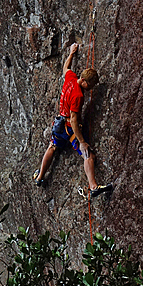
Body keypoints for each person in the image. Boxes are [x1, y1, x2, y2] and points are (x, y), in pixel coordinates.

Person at [33, 42, 112, 197]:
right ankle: (93, 186)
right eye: (90, 85)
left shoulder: (71, 78)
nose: (90, 89)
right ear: (83, 81)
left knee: (52, 147)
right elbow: (74, 119)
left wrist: (71, 53)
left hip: (59, 124)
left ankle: (40, 176)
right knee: (87, 154)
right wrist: (82, 141)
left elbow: (66, 68)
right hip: (69, 128)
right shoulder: (78, 95)